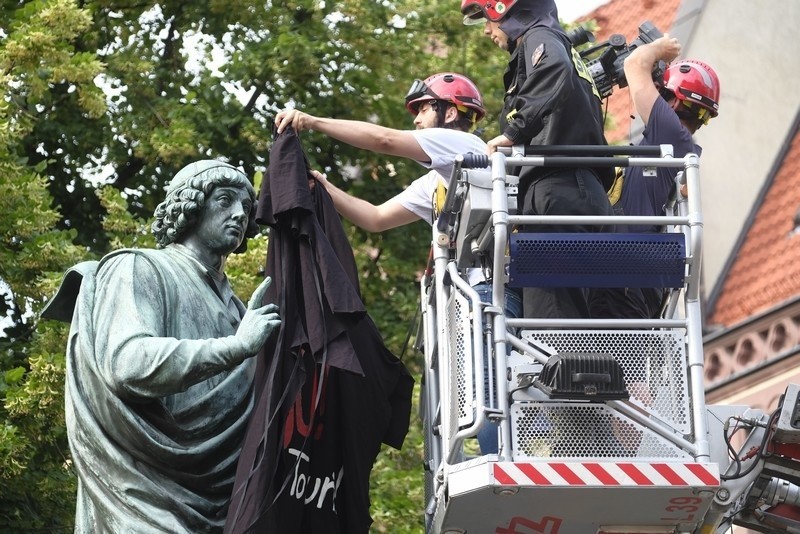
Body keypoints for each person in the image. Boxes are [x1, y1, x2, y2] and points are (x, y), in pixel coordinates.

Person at [274, 72, 521, 454]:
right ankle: (497, 457)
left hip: (491, 289)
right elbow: (374, 218)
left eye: (423, 109)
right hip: (470, 296)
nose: (417, 119)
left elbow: (384, 140)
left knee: (491, 389)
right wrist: (325, 187)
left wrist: (311, 121)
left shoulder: (465, 144)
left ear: (452, 112)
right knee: (479, 392)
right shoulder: (438, 181)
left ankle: (504, 464)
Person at [50, 160, 282, 532]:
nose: (240, 213)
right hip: (140, 498)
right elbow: (128, 365)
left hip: (223, 506)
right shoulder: (138, 268)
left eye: (246, 206)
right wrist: (236, 347)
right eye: (225, 200)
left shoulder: (242, 312)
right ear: (190, 206)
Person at [460, 0, 616, 320]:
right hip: (579, 191)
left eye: (488, 20)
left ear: (507, 10)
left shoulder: (538, 37)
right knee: (576, 314)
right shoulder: (558, 44)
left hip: (557, 189)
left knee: (552, 319)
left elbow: (551, 67)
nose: (487, 31)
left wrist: (514, 131)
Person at [590, 36, 721, 319]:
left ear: (672, 102)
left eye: (658, 92)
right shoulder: (678, 147)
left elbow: (634, 64)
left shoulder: (670, 133)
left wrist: (660, 49)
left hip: (623, 278)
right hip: (636, 282)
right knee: (610, 362)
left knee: (602, 362)